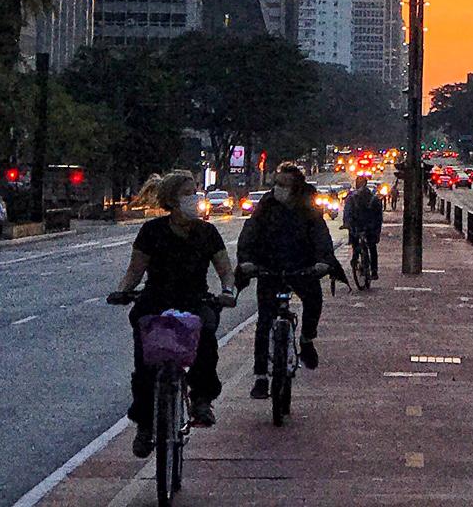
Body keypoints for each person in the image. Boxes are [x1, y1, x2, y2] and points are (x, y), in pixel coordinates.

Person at [109, 170, 237, 457]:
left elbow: (225, 270)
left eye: (196, 193)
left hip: (195, 300)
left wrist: (228, 292)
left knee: (205, 332)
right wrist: (122, 291)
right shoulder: (151, 231)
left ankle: (202, 399)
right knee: (145, 360)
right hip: (155, 300)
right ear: (172, 200)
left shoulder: (207, 233)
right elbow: (134, 272)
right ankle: (144, 424)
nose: (195, 199)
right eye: (188, 194)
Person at [236, 161, 334, 399]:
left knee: (314, 300)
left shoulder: (308, 208)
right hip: (269, 268)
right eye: (276, 184)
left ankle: (306, 339)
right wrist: (246, 261)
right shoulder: (266, 206)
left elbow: (321, 235)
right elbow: (250, 233)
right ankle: (260, 376)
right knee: (264, 321)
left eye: (283, 185)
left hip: (302, 267)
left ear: (296, 188)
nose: (277, 189)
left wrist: (322, 262)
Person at [343, 174, 384, 284]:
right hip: (370, 227)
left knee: (356, 243)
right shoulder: (373, 197)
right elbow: (379, 216)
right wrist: (377, 230)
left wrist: (347, 224)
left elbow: (347, 212)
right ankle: (374, 271)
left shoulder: (351, 197)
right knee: (372, 248)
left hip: (357, 226)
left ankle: (355, 259)